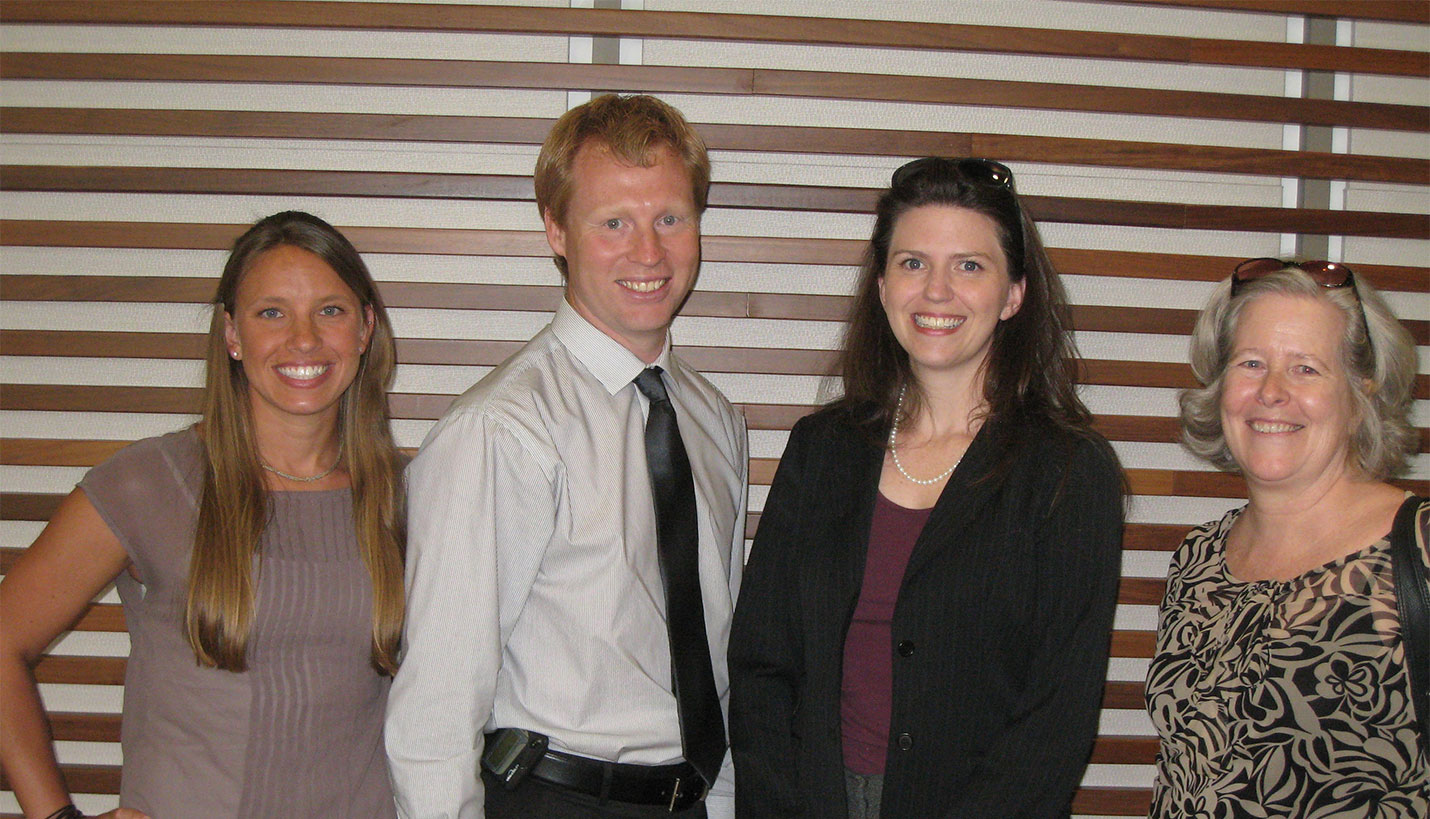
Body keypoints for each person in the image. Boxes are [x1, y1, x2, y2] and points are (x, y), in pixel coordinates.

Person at [385, 94, 747, 818]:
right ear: (556, 229)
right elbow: (436, 704)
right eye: (614, 222)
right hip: (554, 799)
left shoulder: (715, 421)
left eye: (669, 218)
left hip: (690, 801)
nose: (648, 252)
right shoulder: (502, 429)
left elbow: (715, 659)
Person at [728, 157, 1124, 818]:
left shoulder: (1068, 471)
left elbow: (1057, 718)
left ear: (1014, 293)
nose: (936, 291)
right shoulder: (821, 450)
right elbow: (762, 665)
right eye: (913, 263)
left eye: (969, 266)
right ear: (882, 285)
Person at [0, 211, 406, 819]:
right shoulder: (150, 483)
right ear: (232, 334)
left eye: (331, 310)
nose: (303, 339)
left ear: (365, 328)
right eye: (272, 312)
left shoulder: (406, 496)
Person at [1148, 259, 1427, 816]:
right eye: (1251, 363)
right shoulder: (1198, 556)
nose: (1271, 392)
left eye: (1305, 369)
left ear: (1360, 396)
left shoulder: (1419, 547)